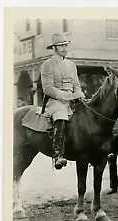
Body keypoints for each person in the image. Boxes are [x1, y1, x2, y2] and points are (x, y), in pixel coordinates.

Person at [41, 33, 85, 170]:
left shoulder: (71, 64)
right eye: (61, 46)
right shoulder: (47, 64)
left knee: (89, 113)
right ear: (54, 48)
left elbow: (76, 85)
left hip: (72, 99)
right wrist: (66, 96)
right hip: (56, 101)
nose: (65, 48)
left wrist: (80, 94)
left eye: (66, 45)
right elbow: (47, 88)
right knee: (61, 116)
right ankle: (58, 155)